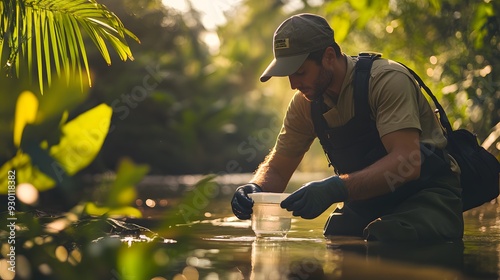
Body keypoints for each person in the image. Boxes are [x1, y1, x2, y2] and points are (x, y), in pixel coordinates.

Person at [231, 13, 464, 242]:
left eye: (300, 72)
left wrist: (335, 189)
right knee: (338, 235)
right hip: (371, 200)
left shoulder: (387, 81)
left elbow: (407, 163)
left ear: (329, 56)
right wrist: (255, 188)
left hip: (427, 194)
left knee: (388, 235)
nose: (293, 85)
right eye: (288, 76)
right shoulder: (305, 104)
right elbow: (279, 170)